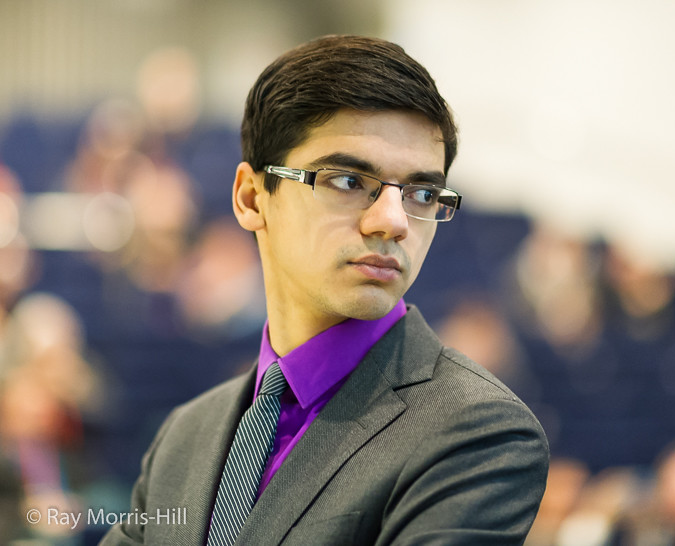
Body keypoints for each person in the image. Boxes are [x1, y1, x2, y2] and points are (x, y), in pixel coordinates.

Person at [101, 35, 549, 545]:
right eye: (348, 181)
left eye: (423, 193)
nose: (393, 221)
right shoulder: (185, 439)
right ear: (252, 197)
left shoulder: (477, 434)